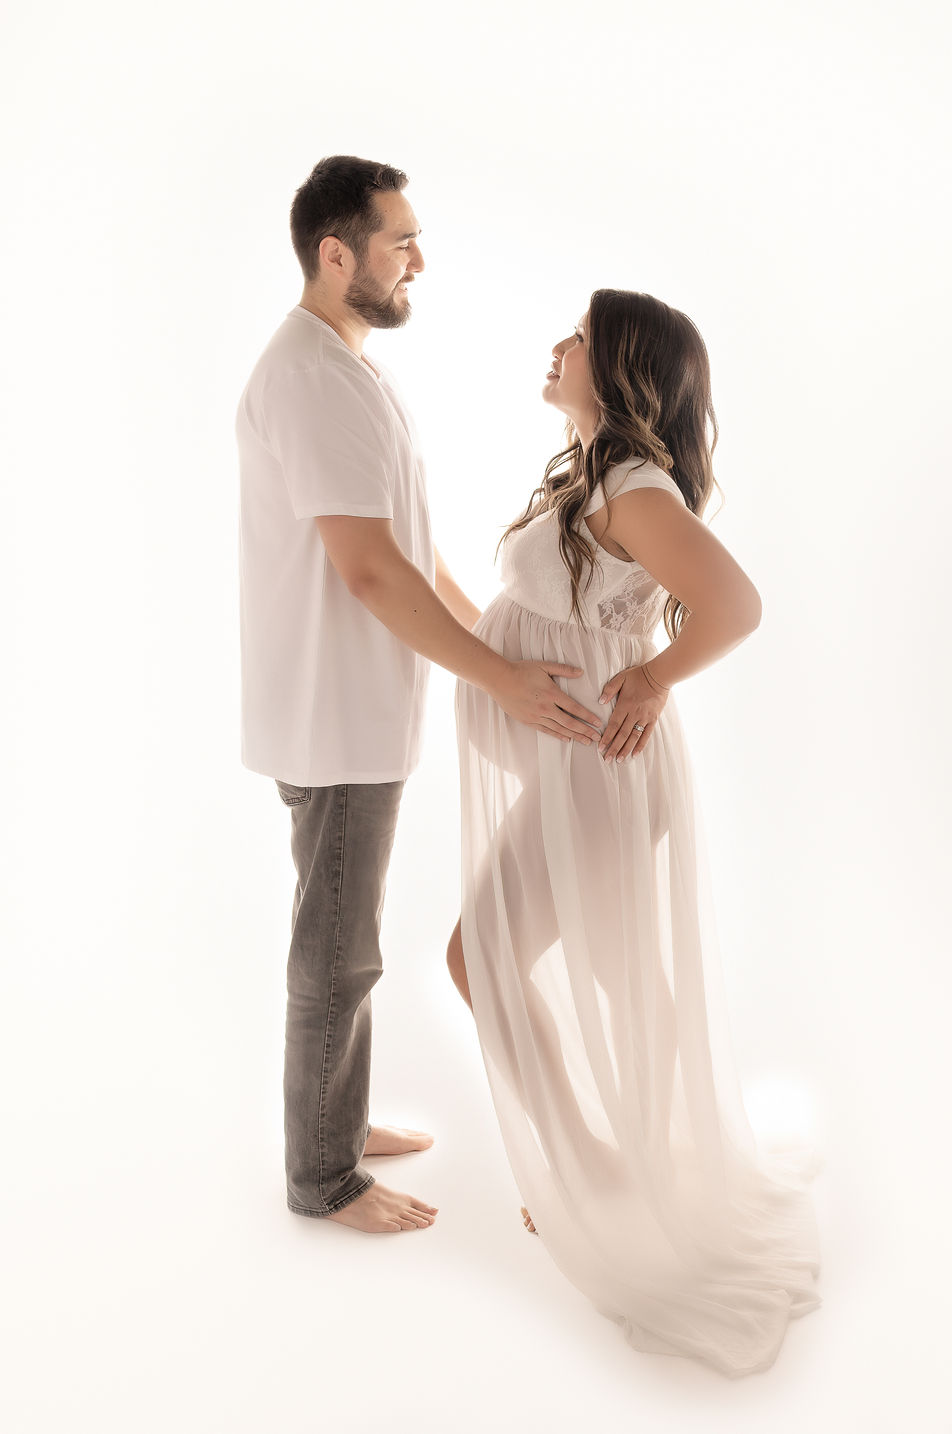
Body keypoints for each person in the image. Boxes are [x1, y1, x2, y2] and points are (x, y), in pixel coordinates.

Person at [446, 289, 822, 1372]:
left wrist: (653, 678)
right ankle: (653, 1163)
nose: (556, 344)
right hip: (582, 781)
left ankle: (599, 1174)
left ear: (616, 369)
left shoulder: (632, 485)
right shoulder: (592, 482)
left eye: (576, 334)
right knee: (612, 976)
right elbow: (528, 619)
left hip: (598, 783)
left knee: (479, 961)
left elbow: (734, 605)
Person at [236, 156, 604, 1234]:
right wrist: (497, 677)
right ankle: (322, 1176)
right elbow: (367, 571)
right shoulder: (307, 377)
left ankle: (332, 1128)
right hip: (331, 713)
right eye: (400, 241)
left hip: (354, 706)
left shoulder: (345, 369)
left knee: (345, 937)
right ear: (334, 253)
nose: (419, 261)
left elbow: (407, 548)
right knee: (338, 950)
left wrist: (494, 636)